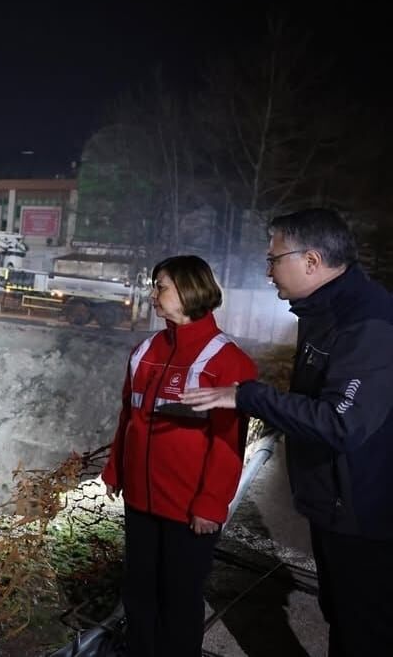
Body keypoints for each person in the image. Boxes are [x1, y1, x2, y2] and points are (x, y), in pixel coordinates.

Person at [181, 208, 393, 656]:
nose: (268, 271)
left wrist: (248, 396)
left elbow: (341, 421)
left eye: (274, 259)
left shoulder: (366, 322)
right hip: (337, 505)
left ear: (311, 261)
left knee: (363, 627)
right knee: (343, 616)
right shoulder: (326, 311)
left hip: (366, 514)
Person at [102, 255, 257, 657]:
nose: (153, 294)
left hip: (189, 509)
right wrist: (116, 469)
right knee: (139, 591)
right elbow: (129, 416)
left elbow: (228, 442)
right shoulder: (145, 351)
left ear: (190, 289)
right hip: (141, 502)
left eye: (161, 286)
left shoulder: (227, 361)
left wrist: (210, 504)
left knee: (180, 597)